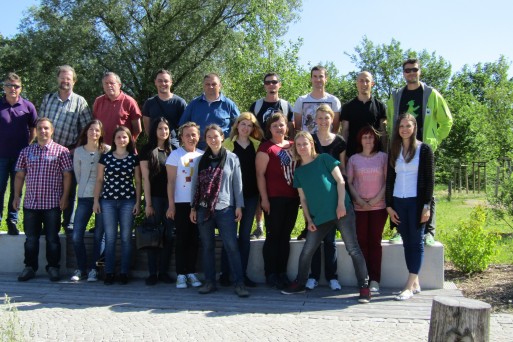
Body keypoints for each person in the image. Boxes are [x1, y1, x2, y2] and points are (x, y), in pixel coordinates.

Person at [281, 131, 371, 304]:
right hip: (319, 218)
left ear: (311, 144)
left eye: (305, 144)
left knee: (353, 249)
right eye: (298, 145)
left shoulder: (324, 159)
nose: (302, 147)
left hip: (342, 212)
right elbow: (303, 199)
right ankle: (300, 283)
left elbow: (341, 181)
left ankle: (364, 287)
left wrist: (341, 205)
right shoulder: (299, 172)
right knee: (307, 250)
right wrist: (309, 220)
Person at [386, 58, 452, 246]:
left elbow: (447, 121)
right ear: (403, 73)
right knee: (399, 186)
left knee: (427, 188)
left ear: (419, 71)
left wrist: (433, 142)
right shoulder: (397, 95)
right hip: (401, 148)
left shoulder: (431, 94)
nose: (411, 73)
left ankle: (429, 232)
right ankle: (399, 230)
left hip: (422, 149)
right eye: (407, 70)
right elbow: (391, 122)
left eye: (414, 70)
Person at [190, 124, 249, 298]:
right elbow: (195, 185)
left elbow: (238, 184)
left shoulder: (232, 158)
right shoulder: (201, 160)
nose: (213, 140)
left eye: (216, 136)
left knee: (231, 246)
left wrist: (239, 205)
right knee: (207, 246)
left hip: (225, 209)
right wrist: (193, 207)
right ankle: (210, 282)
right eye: (209, 137)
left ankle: (239, 283)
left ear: (222, 137)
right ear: (205, 139)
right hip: (203, 209)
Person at [14, 118, 73, 282]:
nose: (43, 131)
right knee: (31, 240)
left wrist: (65, 197)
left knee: (52, 239)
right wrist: (16, 196)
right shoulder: (26, 151)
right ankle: (29, 267)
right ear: (36, 131)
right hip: (31, 203)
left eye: (46, 128)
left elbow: (67, 176)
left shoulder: (61, 151)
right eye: (40, 128)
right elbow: (19, 175)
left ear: (52, 131)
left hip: (52, 203)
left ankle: (53, 268)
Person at [385, 114, 434, 301]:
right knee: (407, 241)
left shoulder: (424, 149)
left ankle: (408, 286)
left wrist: (427, 206)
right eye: (401, 126)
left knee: (416, 241)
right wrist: (389, 205)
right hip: (399, 201)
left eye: (408, 125)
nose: (404, 129)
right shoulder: (395, 149)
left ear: (414, 127)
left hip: (416, 202)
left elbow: (429, 181)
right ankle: (415, 280)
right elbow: (390, 179)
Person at [39, 65, 93, 233]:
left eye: (68, 78)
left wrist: (75, 149)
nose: (65, 80)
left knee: (69, 190)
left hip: (68, 153)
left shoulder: (80, 102)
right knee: (48, 188)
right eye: (62, 77)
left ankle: (68, 224)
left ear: (74, 81)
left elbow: (86, 129)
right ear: (58, 79)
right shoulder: (48, 99)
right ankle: (47, 225)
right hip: (47, 152)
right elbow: (40, 124)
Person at [303, 104, 347, 291]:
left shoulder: (339, 142)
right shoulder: (310, 139)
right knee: (313, 238)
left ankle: (332, 277)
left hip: (333, 195)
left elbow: (343, 169)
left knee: (330, 239)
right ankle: (312, 276)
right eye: (319, 118)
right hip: (314, 195)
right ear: (315, 120)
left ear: (331, 119)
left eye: (326, 118)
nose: (322, 121)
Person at [219, 112, 264, 288]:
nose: (246, 128)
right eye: (243, 124)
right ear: (237, 125)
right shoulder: (227, 145)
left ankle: (242, 275)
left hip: (251, 196)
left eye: (249, 125)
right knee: (228, 237)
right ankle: (224, 274)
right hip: (229, 198)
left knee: (244, 237)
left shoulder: (257, 146)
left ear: (254, 128)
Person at [93, 126, 142, 285]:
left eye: (125, 137)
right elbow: (99, 180)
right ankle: (109, 272)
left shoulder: (134, 158)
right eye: (119, 137)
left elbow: (138, 181)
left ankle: (124, 272)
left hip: (128, 201)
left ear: (129, 139)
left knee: (127, 238)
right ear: (113, 140)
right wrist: (96, 201)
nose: (122, 140)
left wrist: (137, 202)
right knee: (111, 237)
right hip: (108, 201)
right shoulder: (105, 158)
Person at [256, 112, 299, 289]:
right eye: (275, 126)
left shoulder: (294, 145)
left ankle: (282, 272)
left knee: (285, 237)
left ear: (287, 127)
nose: (279, 128)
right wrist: (264, 199)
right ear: (270, 129)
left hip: (292, 198)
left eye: (281, 125)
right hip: (274, 198)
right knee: (273, 236)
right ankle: (270, 273)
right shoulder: (265, 148)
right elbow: (260, 175)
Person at [249, 72, 294, 239]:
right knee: (259, 186)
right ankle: (259, 224)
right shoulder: (257, 105)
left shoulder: (286, 105)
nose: (271, 85)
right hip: (262, 149)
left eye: (274, 82)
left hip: (280, 150)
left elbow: (291, 128)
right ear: (264, 85)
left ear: (279, 85)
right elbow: (250, 126)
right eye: (268, 82)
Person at [347, 126, 388, 292]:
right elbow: (349, 182)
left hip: (379, 207)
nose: (368, 140)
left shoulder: (383, 158)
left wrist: (375, 200)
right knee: (361, 243)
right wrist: (360, 200)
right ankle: (363, 278)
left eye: (371, 137)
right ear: (360, 140)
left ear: (375, 140)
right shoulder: (354, 160)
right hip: (359, 207)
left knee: (375, 242)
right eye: (365, 137)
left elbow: (387, 181)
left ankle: (375, 280)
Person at [71, 120, 110, 282]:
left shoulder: (106, 150)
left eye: (97, 130)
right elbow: (78, 175)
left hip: (103, 198)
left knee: (99, 236)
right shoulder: (78, 152)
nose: (94, 133)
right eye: (91, 130)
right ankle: (81, 268)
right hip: (84, 198)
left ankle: (94, 268)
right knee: (76, 235)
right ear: (86, 132)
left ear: (100, 133)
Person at [166, 122, 203, 289]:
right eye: (187, 135)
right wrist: (171, 205)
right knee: (182, 238)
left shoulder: (203, 155)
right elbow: (171, 181)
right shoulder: (175, 155)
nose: (191, 138)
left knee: (195, 239)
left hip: (198, 204)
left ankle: (191, 272)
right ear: (181, 137)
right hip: (181, 203)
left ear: (199, 136)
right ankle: (180, 273)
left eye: (193, 134)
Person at [0, 72, 37, 235]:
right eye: (9, 85)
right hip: (0, 156)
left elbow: (33, 129)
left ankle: (12, 220)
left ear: (20, 88)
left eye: (16, 86)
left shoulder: (28, 106)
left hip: (20, 157)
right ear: (3, 87)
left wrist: (26, 146)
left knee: (17, 190)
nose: (12, 89)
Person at [140, 118, 175, 286]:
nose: (163, 131)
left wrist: (172, 203)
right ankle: (152, 273)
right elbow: (145, 179)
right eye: (160, 128)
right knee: (153, 236)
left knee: (168, 235)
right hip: (153, 198)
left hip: (170, 199)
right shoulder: (147, 150)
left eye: (166, 128)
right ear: (155, 130)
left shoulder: (173, 150)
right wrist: (148, 204)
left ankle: (163, 272)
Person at [178, 73, 240, 149]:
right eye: (207, 84)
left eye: (214, 84)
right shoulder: (194, 104)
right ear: (203, 86)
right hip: (198, 150)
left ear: (220, 86)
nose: (210, 87)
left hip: (222, 150)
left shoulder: (229, 104)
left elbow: (239, 126)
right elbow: (183, 126)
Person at [340, 71, 386, 157]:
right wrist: (343, 155)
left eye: (367, 81)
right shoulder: (347, 107)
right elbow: (344, 131)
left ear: (372, 84)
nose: (364, 84)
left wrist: (385, 153)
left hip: (375, 155)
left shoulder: (380, 106)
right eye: (361, 81)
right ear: (356, 83)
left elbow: (383, 132)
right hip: (353, 154)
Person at [93, 72, 143, 145]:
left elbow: (137, 129)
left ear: (119, 85)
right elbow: (94, 124)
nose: (108, 85)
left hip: (123, 149)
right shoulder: (98, 101)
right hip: (102, 148)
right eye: (106, 83)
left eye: (112, 83)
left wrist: (128, 144)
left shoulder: (129, 101)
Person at [142, 69, 187, 149]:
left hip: (174, 145)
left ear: (171, 82)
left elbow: (185, 126)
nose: (163, 83)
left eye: (166, 81)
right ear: (155, 82)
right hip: (154, 145)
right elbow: (147, 127)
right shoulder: (149, 103)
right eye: (160, 81)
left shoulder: (180, 103)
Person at [293, 66, 341, 135]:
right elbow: (297, 127)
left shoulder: (334, 101)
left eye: (321, 76)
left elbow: (336, 127)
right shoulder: (301, 100)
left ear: (326, 79)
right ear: (311, 79)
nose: (318, 79)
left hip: (327, 142)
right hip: (307, 143)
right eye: (315, 76)